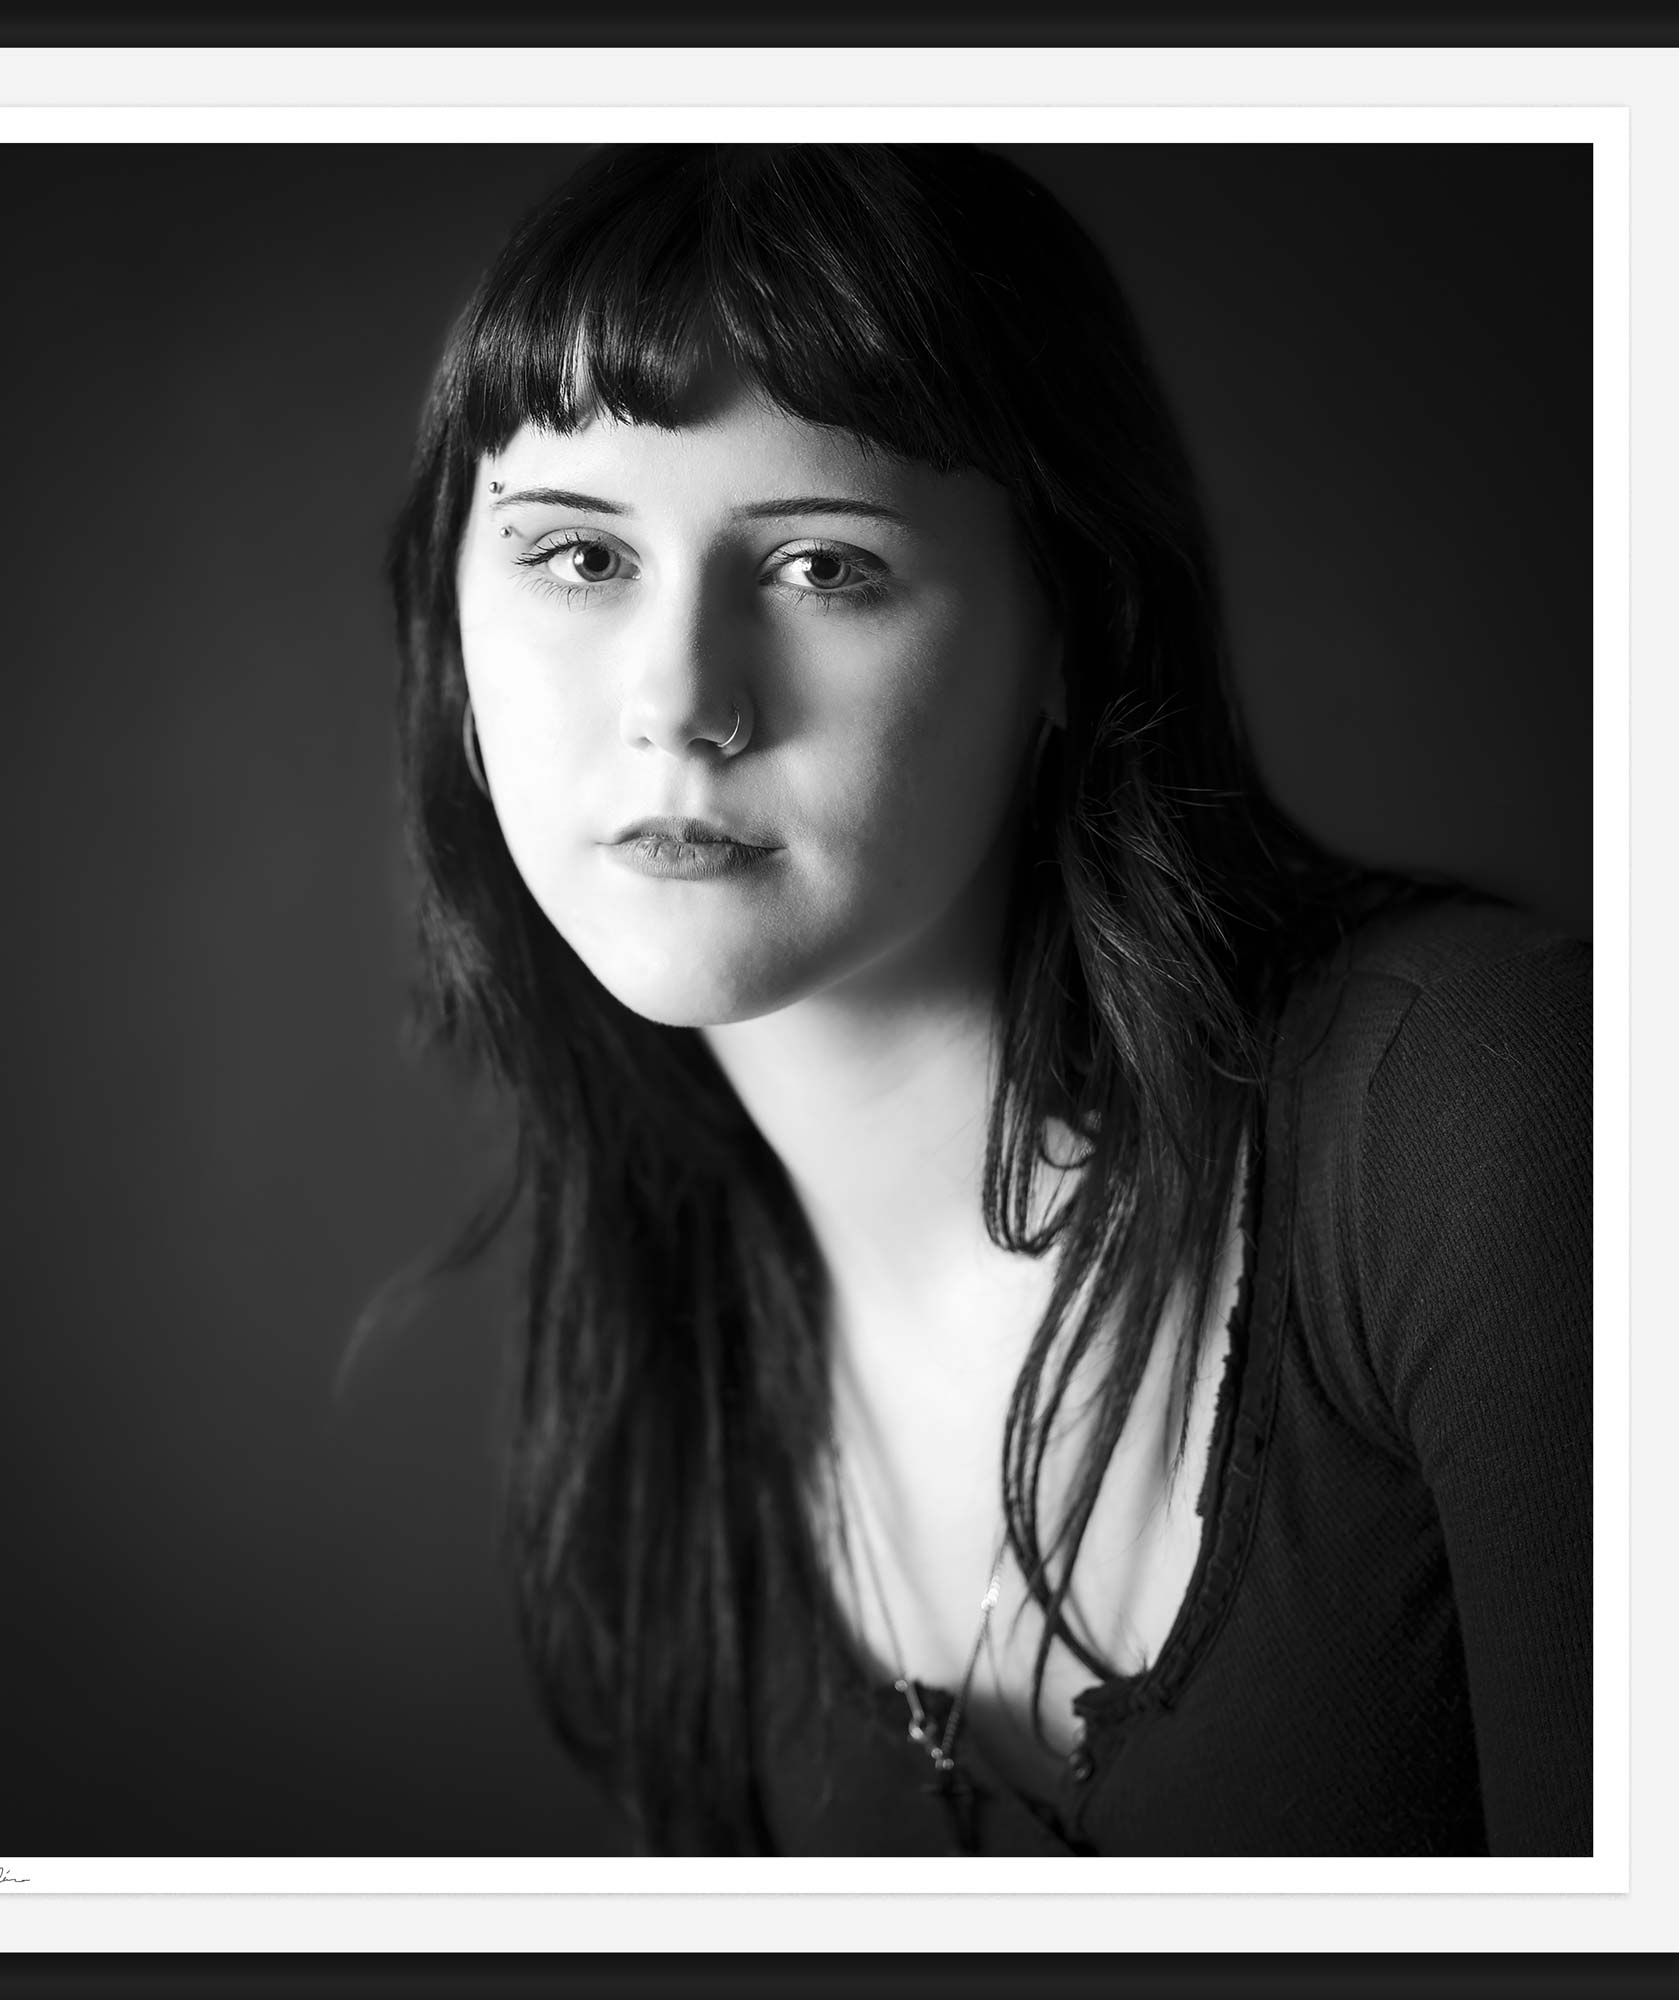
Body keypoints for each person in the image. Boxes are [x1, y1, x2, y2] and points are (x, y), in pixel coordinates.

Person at [384, 143, 1592, 1857]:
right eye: (578, 558)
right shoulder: (656, 1376)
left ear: (1074, 633)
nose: (681, 702)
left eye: (825, 567)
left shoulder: (1497, 1118)